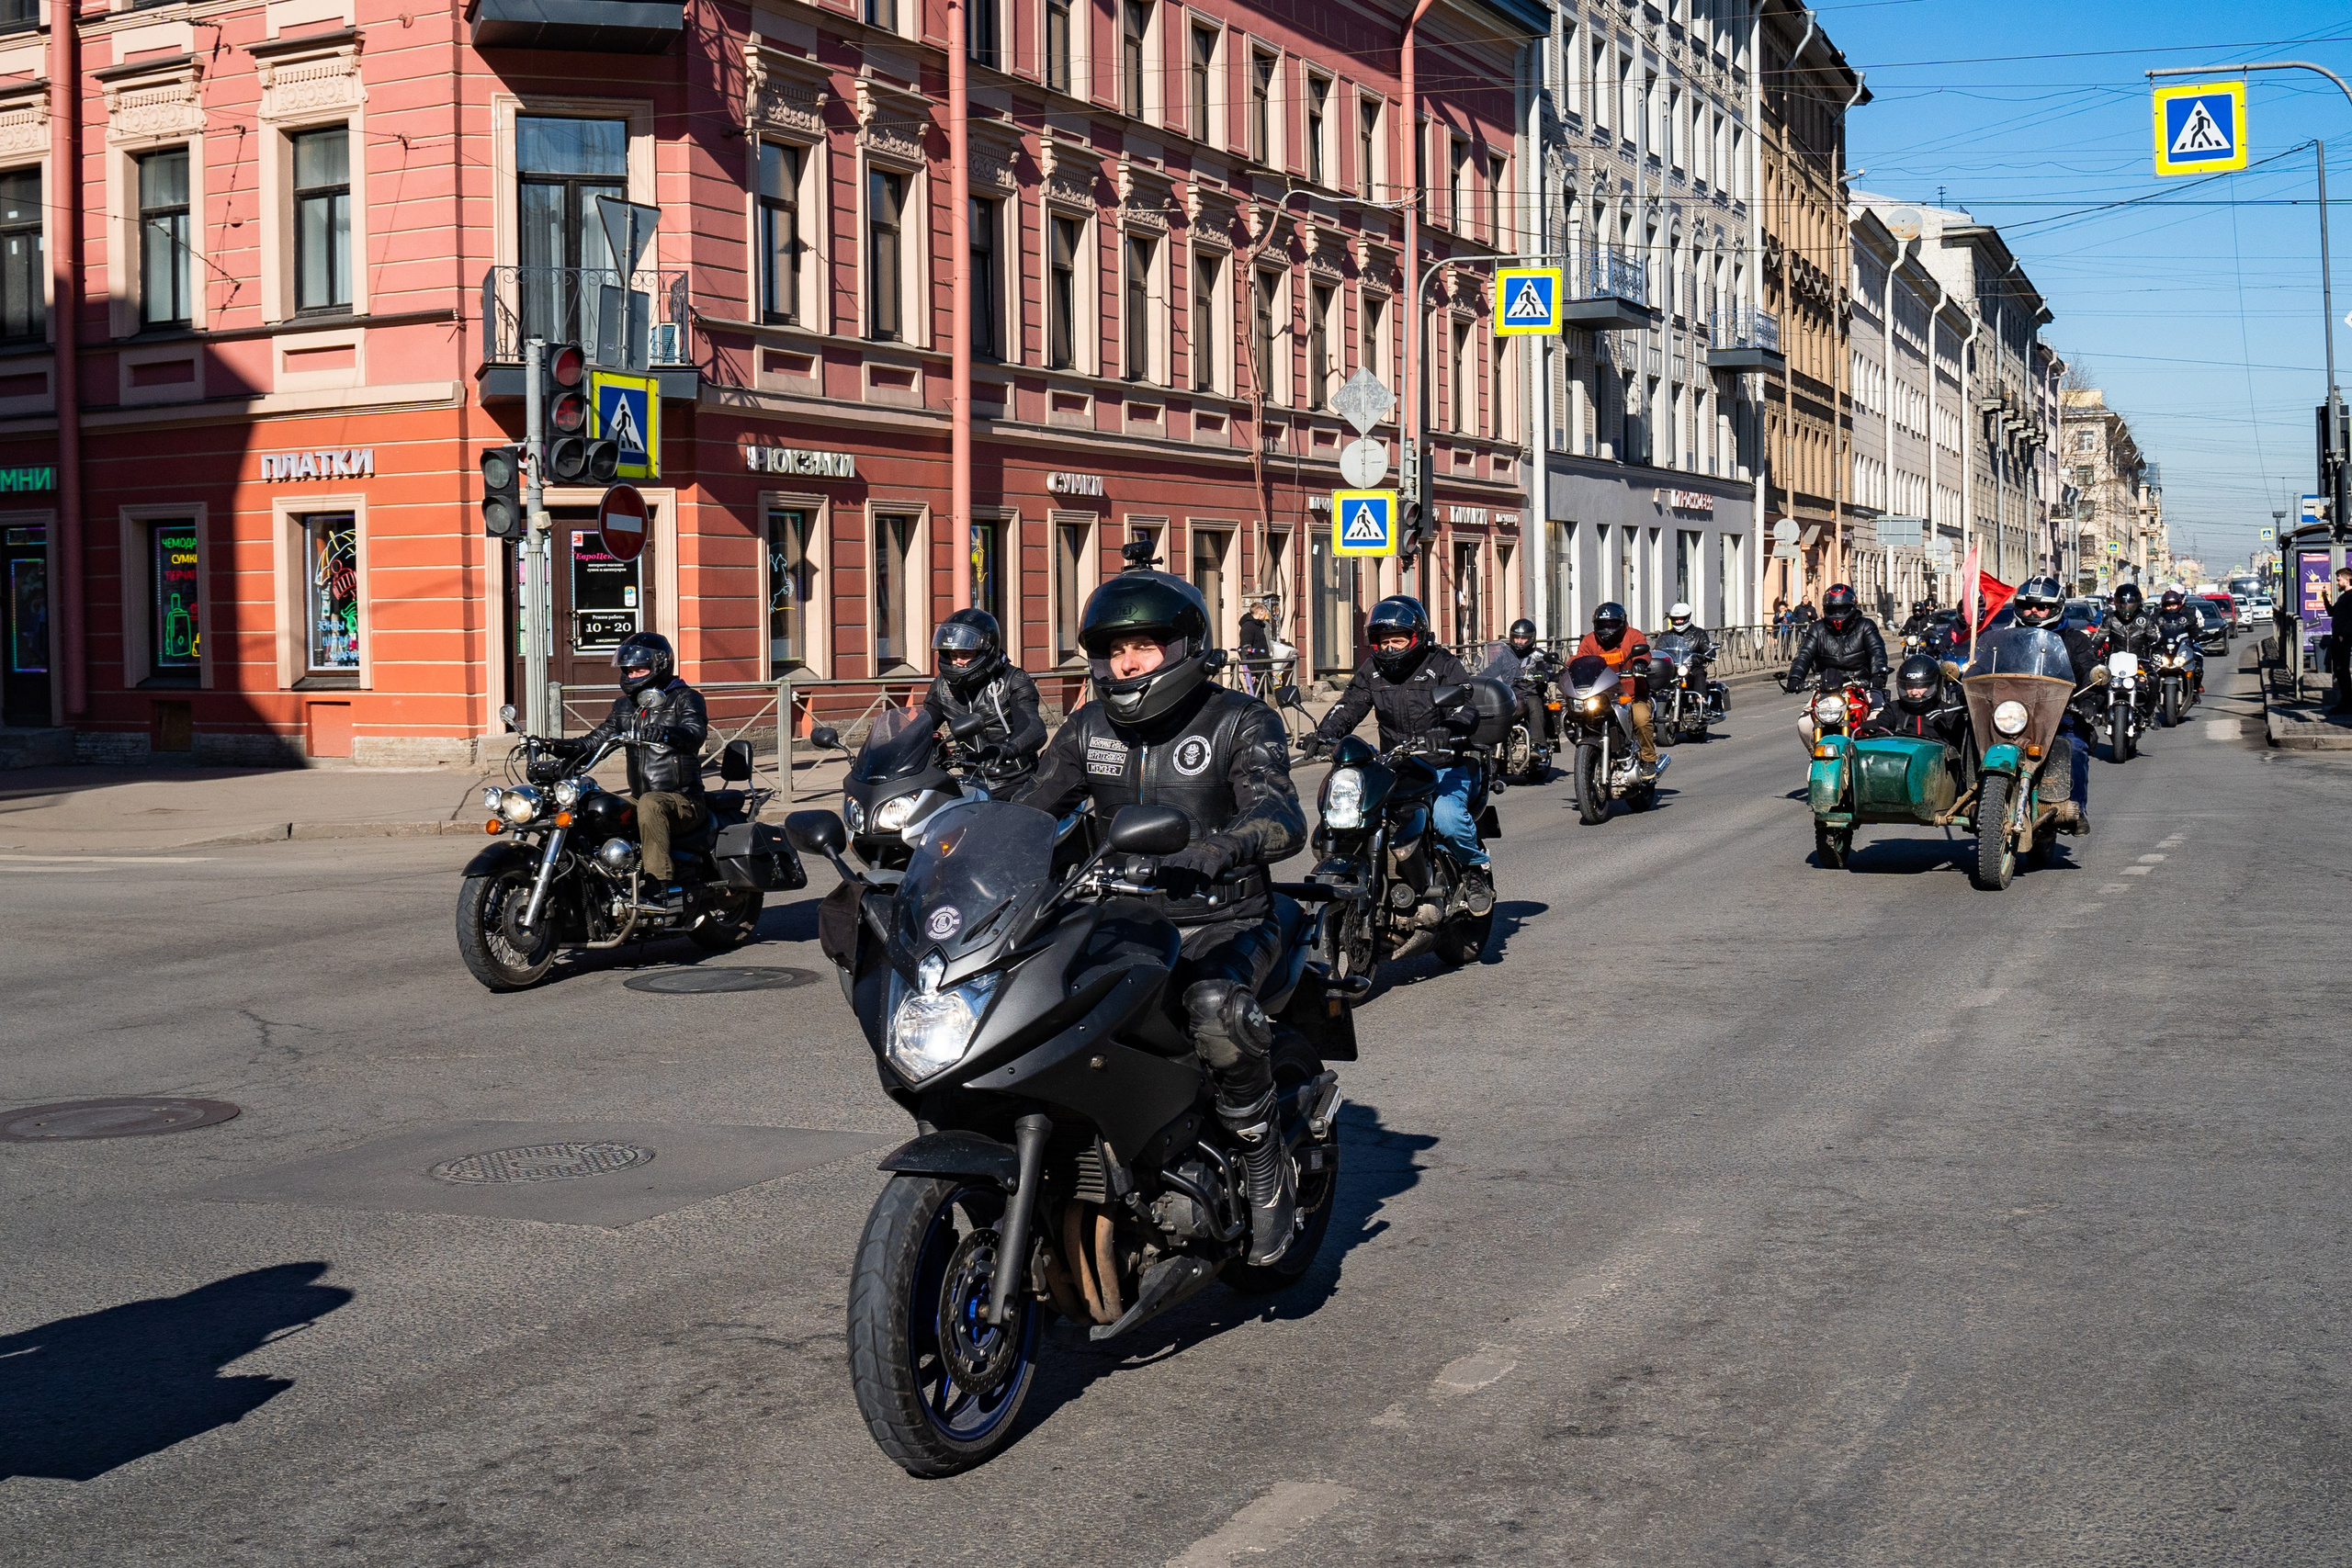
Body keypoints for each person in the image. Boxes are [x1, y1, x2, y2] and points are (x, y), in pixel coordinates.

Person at [1016, 570, 1307, 1264]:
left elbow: (1280, 812)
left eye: (1144, 646)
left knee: (1212, 1006)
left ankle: (1262, 1162)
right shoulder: (1089, 728)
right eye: (1116, 648)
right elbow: (1029, 805)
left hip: (1225, 916)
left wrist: (1222, 847)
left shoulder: (1240, 718)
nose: (1127, 662)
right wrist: (949, 829)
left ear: (1182, 648)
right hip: (1118, 918)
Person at [1304, 595, 1493, 911]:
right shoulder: (1372, 671)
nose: (1389, 648)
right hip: (1394, 766)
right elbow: (1349, 706)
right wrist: (1324, 734)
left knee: (1446, 817)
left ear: (1417, 636)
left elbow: (1465, 708)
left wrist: (1446, 729)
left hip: (1442, 762)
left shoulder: (1442, 664)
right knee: (1350, 815)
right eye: (1382, 641)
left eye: (1397, 639)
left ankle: (1475, 871)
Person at [555, 631, 707, 908]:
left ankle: (658, 884)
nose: (633, 674)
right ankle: (597, 882)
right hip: (641, 799)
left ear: (660, 665)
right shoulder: (625, 707)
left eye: (640, 668)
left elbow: (694, 733)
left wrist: (666, 733)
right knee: (595, 807)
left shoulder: (685, 698)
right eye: (628, 669)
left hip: (683, 800)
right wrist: (555, 746)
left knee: (651, 804)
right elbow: (592, 742)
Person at [920, 608, 1046, 796]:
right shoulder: (941, 687)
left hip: (1015, 783)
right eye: (953, 656)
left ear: (986, 651)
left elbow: (1033, 728)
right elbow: (922, 725)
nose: (958, 662)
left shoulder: (1013, 679)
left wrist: (1008, 750)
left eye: (965, 654)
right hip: (971, 784)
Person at [2010, 576, 2098, 836]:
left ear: (2056, 608)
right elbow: (1985, 668)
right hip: (2015, 715)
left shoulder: (2075, 641)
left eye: (2041, 607)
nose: (2033, 611)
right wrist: (1967, 686)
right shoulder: (2007, 638)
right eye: (2027, 605)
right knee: (1970, 735)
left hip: (2061, 715)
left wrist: (2091, 699)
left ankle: (2076, 808)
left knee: (2075, 748)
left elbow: (2088, 670)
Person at [1573, 601, 1660, 781]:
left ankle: (1648, 759)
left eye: (1611, 624)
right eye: (1603, 625)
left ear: (1621, 623)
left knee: (1641, 719)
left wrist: (1640, 664)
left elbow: (1643, 652)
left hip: (1632, 695)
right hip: (1601, 696)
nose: (1607, 629)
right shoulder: (1590, 640)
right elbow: (1579, 657)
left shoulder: (1633, 635)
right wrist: (1568, 668)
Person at [1860, 653, 1968, 750]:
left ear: (1933, 685)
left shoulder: (1947, 713)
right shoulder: (1895, 709)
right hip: (1902, 766)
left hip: (1939, 767)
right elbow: (1883, 721)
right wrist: (1876, 725)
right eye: (1910, 686)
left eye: (1920, 687)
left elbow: (1962, 743)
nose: (1914, 692)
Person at [2151, 589, 2207, 695]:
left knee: (2198, 660)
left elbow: (2195, 631)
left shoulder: (2188, 614)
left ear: (2179, 604)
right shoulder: (2157, 615)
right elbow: (2150, 631)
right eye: (2168, 605)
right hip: (2163, 647)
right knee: (2149, 667)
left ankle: (2196, 686)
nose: (2171, 608)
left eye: (2174, 605)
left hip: (2183, 647)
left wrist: (2199, 636)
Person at [2326, 567, 2352, 714]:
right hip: (2338, 637)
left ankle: (2347, 701)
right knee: (2338, 669)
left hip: (2344, 638)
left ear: (2347, 580)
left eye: (2338, 580)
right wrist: (2324, 597)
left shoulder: (2350, 596)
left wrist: (2344, 634)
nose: (2337, 583)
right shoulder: (2343, 597)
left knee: (2341, 669)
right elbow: (2331, 612)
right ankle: (2346, 699)